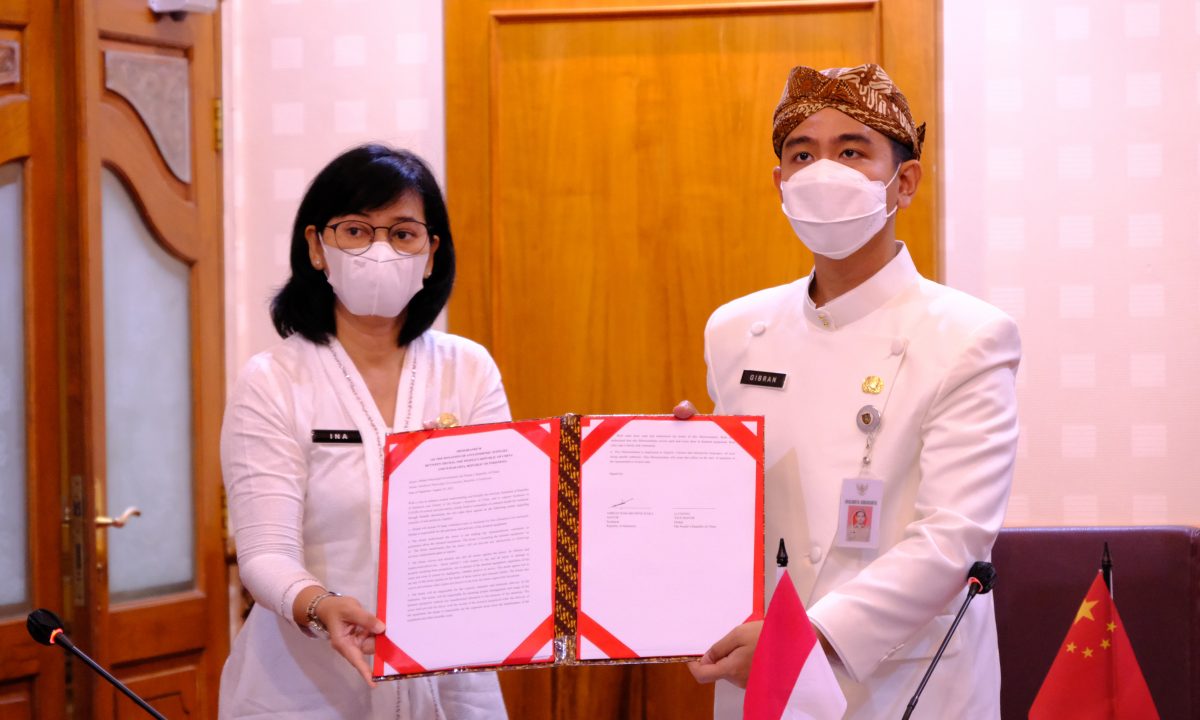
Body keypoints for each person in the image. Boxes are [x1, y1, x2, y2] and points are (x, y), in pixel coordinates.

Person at [682, 64, 1020, 718]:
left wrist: (799, 641)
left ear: (906, 181)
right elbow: (736, 516)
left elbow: (951, 540)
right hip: (763, 681)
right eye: (802, 154)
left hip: (905, 684)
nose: (822, 171)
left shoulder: (971, 337)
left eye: (851, 151)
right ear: (780, 183)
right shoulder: (735, 331)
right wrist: (681, 467)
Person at [220, 144, 511, 718]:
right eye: (356, 231)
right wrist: (318, 605)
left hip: (450, 681)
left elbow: (500, 524)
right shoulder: (274, 380)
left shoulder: (468, 369)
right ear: (316, 247)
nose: (380, 250)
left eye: (403, 234)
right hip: (303, 690)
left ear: (431, 254)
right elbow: (263, 553)